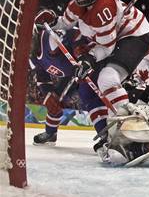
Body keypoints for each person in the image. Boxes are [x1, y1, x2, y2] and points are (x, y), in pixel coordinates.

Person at [50, 0, 149, 116]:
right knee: (91, 83)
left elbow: (106, 47)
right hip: (112, 39)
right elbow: (64, 24)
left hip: (134, 35)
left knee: (107, 78)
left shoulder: (103, 6)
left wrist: (89, 57)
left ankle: (126, 121)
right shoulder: (74, 6)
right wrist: (52, 21)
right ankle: (113, 128)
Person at [30, 9, 108, 146]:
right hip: (72, 75)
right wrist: (47, 94)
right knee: (54, 101)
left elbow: (75, 33)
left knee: (87, 95)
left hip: (88, 64)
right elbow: (42, 78)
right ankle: (50, 133)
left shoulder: (50, 39)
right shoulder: (33, 58)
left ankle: (105, 136)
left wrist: (79, 52)